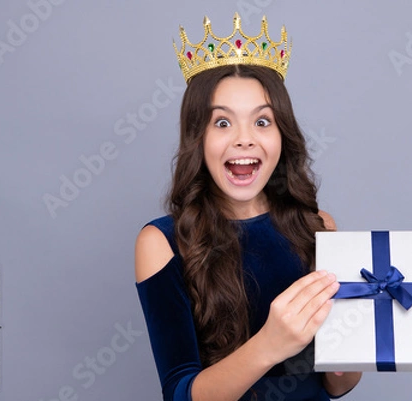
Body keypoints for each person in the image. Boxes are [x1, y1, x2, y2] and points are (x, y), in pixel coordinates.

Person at [135, 13, 362, 401]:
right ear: (198, 137)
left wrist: (350, 354)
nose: (244, 139)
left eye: (262, 121)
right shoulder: (161, 242)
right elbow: (179, 393)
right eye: (222, 123)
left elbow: (338, 385)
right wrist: (270, 343)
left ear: (282, 134)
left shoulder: (319, 225)